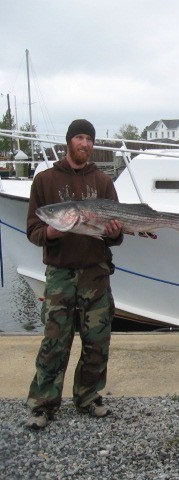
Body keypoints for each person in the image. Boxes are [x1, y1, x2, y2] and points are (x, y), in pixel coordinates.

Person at [25, 119, 123, 429]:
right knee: (55, 341)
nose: (84, 144)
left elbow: (116, 237)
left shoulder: (103, 182)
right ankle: (43, 404)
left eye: (89, 139)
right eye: (79, 137)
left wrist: (113, 231)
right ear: (69, 141)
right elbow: (33, 228)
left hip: (95, 272)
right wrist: (51, 233)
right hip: (60, 274)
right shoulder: (45, 180)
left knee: (97, 340)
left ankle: (88, 397)